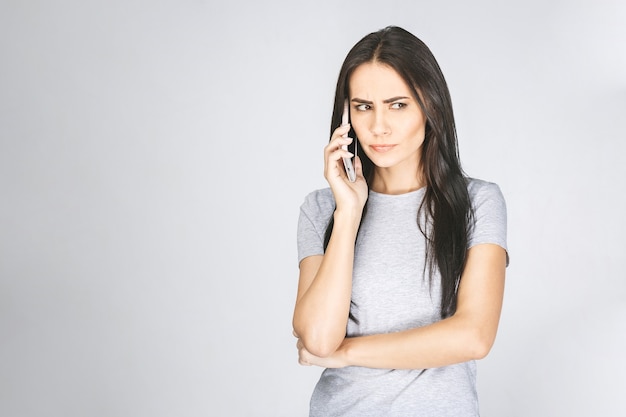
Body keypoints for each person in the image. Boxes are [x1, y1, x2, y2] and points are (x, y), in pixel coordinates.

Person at [292, 25, 508, 416]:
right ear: (346, 116)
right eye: (363, 106)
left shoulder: (477, 202)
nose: (378, 127)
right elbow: (319, 339)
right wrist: (349, 213)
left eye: (397, 105)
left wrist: (348, 353)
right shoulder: (323, 208)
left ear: (431, 106)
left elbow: (474, 336)